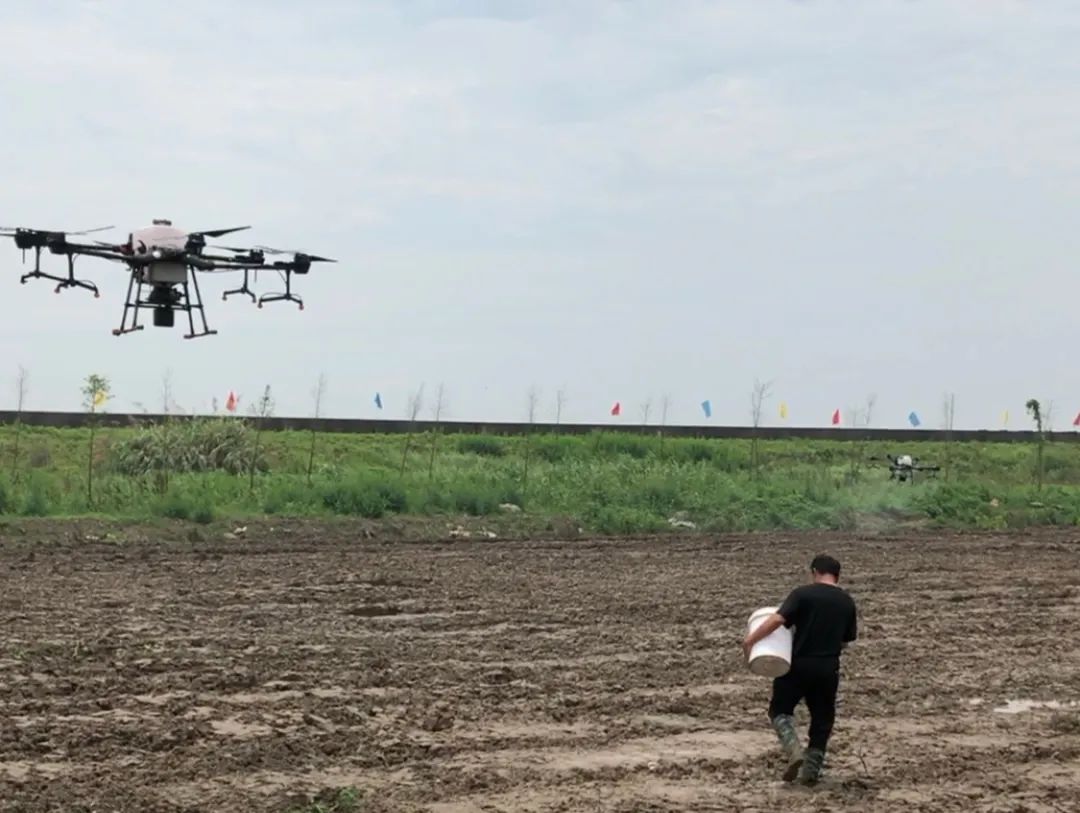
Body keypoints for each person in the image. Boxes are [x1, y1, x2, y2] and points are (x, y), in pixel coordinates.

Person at [741, 554, 857, 785]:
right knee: (822, 720)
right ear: (837, 575)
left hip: (798, 665)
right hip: (827, 669)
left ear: (814, 572)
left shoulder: (803, 594)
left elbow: (777, 620)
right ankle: (811, 773)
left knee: (779, 710)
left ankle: (793, 750)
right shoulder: (847, 601)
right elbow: (846, 641)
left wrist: (750, 641)